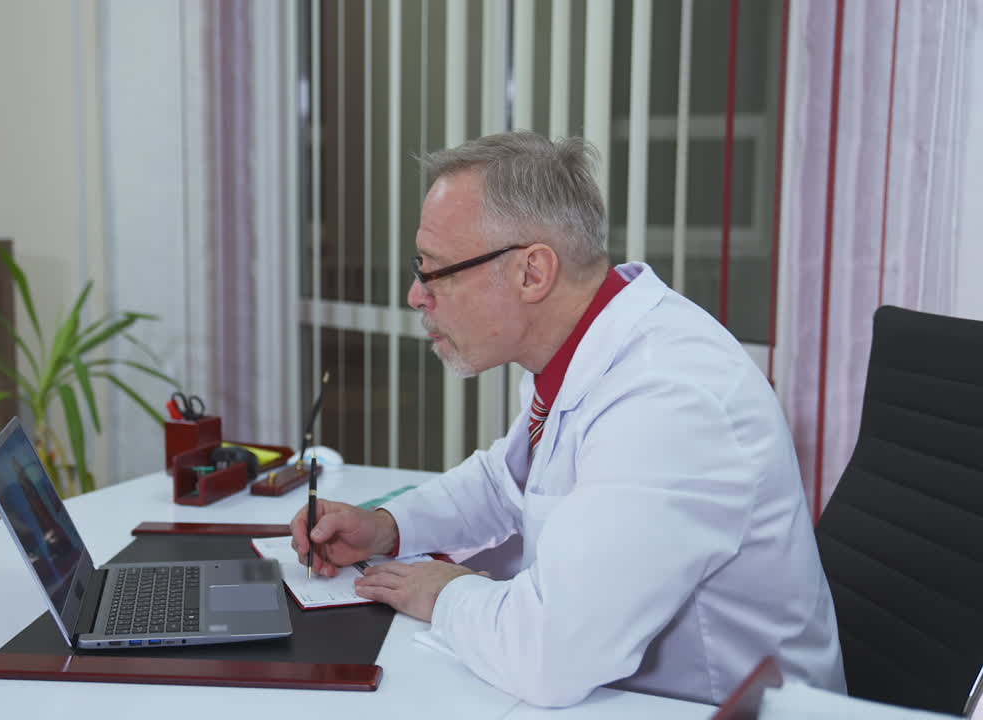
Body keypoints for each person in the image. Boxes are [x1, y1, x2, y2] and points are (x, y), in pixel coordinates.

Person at [289, 130, 845, 707]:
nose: (415, 295)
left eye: (435, 270)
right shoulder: (580, 347)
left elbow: (551, 656)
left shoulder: (670, 401)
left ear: (533, 273)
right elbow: (508, 484)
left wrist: (447, 592)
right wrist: (388, 526)